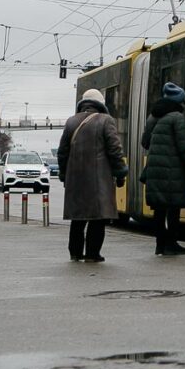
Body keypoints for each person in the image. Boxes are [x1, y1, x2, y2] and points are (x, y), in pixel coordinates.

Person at [57, 88, 127, 263]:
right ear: (101, 103)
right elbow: (115, 150)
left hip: (75, 180)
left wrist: (65, 175)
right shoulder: (106, 121)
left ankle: (75, 253)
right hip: (99, 180)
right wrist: (120, 173)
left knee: (78, 218)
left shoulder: (71, 122)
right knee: (98, 218)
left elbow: (62, 152)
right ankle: (92, 254)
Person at [140, 82, 185, 257]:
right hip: (173, 171)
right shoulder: (177, 118)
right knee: (174, 209)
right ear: (179, 101)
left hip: (155, 170)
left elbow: (145, 143)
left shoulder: (153, 117)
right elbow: (184, 147)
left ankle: (160, 245)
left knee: (159, 209)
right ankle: (171, 244)